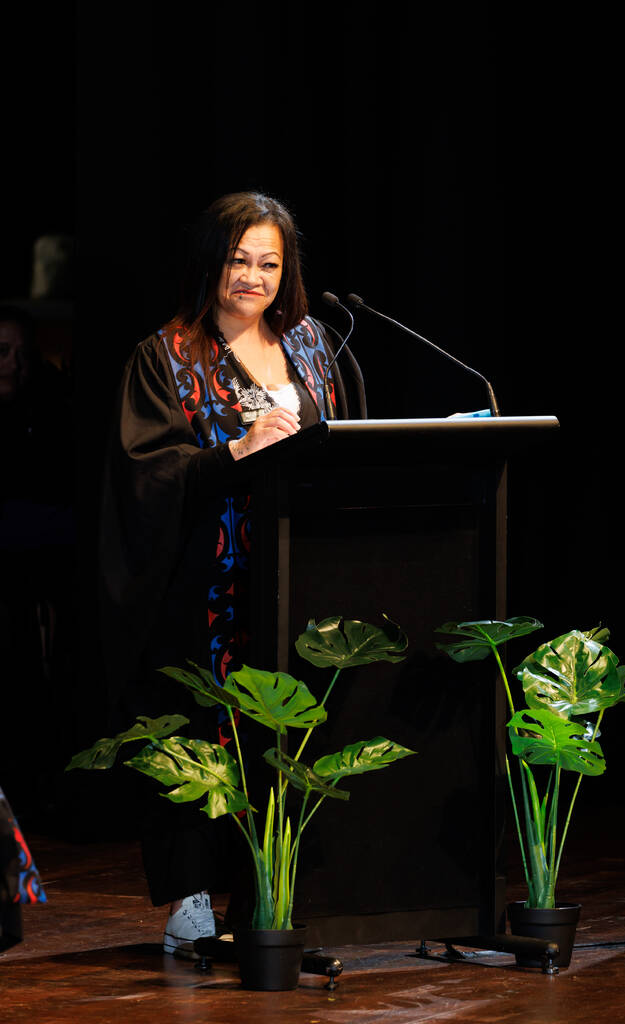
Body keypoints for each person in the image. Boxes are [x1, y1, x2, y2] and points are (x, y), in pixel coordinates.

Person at [99, 192, 364, 958]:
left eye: (269, 263)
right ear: (210, 262)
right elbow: (144, 476)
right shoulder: (168, 355)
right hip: (206, 593)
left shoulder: (314, 343)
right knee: (205, 736)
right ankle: (191, 903)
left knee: (288, 734)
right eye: (239, 259)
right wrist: (232, 455)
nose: (252, 276)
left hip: (300, 585)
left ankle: (275, 895)